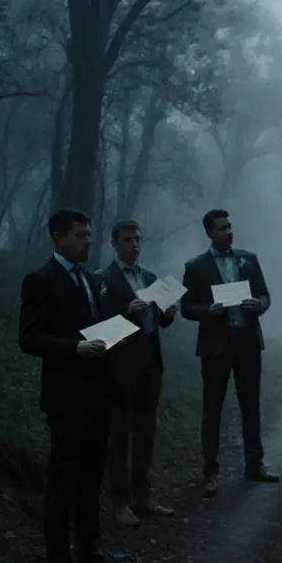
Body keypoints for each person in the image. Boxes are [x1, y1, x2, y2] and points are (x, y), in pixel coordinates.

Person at [18, 208, 113, 563]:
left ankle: (89, 546)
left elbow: (94, 328)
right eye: (80, 235)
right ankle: (59, 560)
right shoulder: (40, 280)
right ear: (58, 237)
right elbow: (29, 339)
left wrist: (115, 333)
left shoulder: (89, 279)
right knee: (63, 477)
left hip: (98, 391)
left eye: (89, 235)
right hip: (65, 396)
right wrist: (75, 348)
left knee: (92, 473)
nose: (88, 241)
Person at [181, 208, 279, 497]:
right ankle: (210, 472)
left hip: (247, 341)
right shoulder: (196, 266)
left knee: (251, 406)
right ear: (209, 233)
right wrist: (207, 311)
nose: (228, 232)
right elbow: (187, 307)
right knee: (213, 410)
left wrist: (258, 305)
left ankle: (254, 464)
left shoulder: (248, 259)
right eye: (222, 228)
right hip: (215, 345)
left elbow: (264, 294)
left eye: (229, 227)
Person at [97, 220, 177, 526]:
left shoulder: (150, 277)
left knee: (146, 433)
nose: (135, 245)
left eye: (138, 239)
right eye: (128, 240)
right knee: (120, 436)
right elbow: (99, 324)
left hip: (150, 364)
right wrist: (126, 312)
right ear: (114, 244)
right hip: (120, 367)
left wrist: (168, 313)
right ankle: (120, 502)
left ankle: (144, 496)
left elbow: (162, 321)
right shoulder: (105, 279)